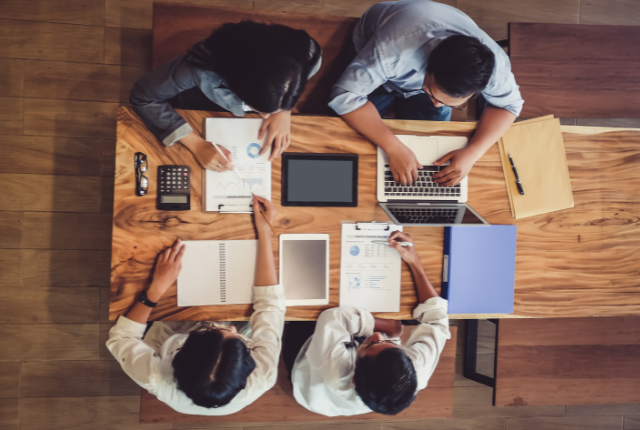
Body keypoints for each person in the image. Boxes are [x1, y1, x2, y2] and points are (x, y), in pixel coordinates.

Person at [107, 195, 284, 415]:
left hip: (175, 329)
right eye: (234, 337)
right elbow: (270, 306)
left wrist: (155, 290)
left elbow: (121, 338)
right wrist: (264, 231)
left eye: (213, 332)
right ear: (248, 367)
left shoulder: (154, 376)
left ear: (180, 355)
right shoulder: (263, 376)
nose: (231, 328)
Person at [329, 0, 523, 186]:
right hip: (374, 45)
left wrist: (473, 152)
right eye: (431, 93)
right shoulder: (391, 50)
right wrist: (392, 146)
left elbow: (510, 106)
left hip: (415, 44)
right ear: (427, 68)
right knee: (344, 135)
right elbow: (344, 96)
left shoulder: (494, 68)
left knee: (433, 144)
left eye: (454, 104)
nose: (436, 104)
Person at [289, 231, 450, 416]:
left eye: (372, 343)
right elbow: (437, 319)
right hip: (365, 384)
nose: (377, 336)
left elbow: (331, 318)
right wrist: (414, 262)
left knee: (304, 310)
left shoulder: (336, 374)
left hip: (308, 377)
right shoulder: (415, 370)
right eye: (387, 343)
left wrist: (387, 327)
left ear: (354, 377)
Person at [130, 21, 322, 170]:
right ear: (235, 85)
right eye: (260, 109)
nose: (265, 116)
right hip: (201, 104)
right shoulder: (197, 70)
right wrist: (197, 145)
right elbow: (143, 96)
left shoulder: (309, 54)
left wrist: (283, 110)